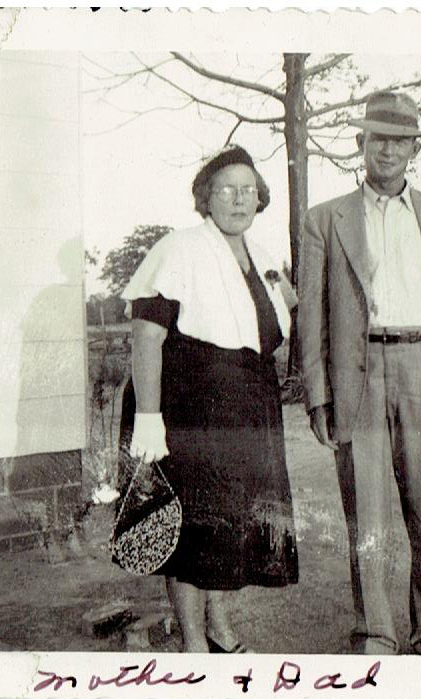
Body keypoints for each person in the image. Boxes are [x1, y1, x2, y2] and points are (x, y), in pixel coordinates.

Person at [298, 91, 421, 656]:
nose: (388, 150)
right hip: (357, 373)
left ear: (413, 150)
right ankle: (375, 633)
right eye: (378, 138)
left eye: (400, 141)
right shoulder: (324, 220)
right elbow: (312, 317)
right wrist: (319, 396)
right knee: (367, 516)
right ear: (361, 144)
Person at [118, 145, 299, 653]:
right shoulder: (178, 248)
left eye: (248, 190)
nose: (239, 199)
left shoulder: (262, 257)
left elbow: (281, 317)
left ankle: (218, 626)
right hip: (189, 406)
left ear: (260, 198)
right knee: (192, 530)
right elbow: (146, 336)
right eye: (227, 190)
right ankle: (194, 642)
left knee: (231, 523)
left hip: (248, 406)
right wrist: (149, 417)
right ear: (206, 197)